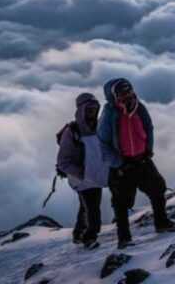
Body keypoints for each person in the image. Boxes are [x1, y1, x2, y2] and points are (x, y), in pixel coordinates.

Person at [98, 78, 175, 248]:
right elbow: (103, 143)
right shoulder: (109, 113)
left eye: (128, 91)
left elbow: (148, 128)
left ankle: (162, 223)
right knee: (121, 202)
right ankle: (124, 238)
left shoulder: (138, 106)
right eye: (122, 92)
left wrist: (148, 150)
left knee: (158, 188)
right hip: (122, 165)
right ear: (114, 95)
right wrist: (118, 163)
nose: (127, 95)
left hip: (142, 160)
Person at [56, 92, 109, 250]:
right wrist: (80, 173)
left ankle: (79, 234)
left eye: (95, 108)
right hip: (82, 178)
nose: (93, 112)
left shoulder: (100, 126)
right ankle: (89, 237)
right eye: (89, 109)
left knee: (87, 207)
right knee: (92, 209)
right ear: (82, 110)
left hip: (96, 175)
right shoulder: (72, 131)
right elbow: (63, 161)